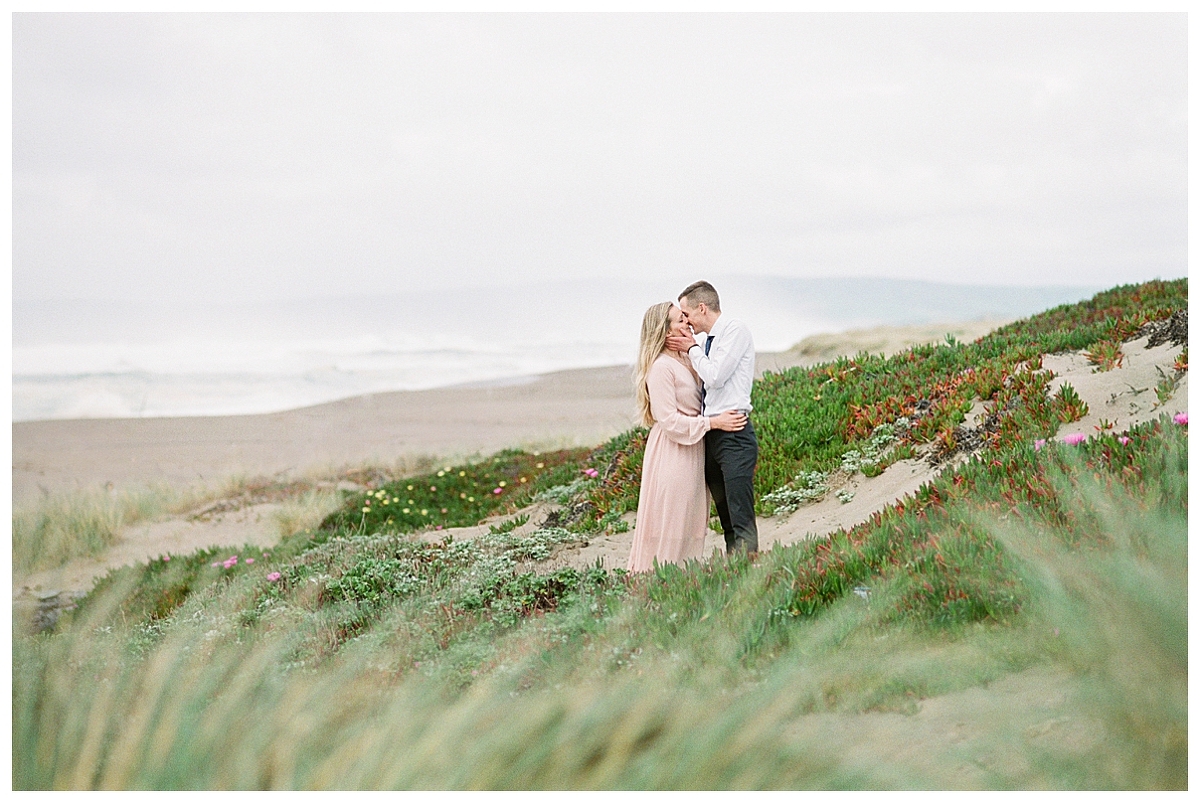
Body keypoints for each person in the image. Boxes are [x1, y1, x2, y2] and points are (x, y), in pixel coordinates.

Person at [627, 302, 747, 573]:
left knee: (691, 524)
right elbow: (669, 421)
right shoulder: (660, 368)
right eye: (680, 320)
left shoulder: (686, 359)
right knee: (673, 523)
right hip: (673, 452)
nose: (687, 324)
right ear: (666, 332)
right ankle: (658, 583)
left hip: (694, 450)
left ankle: (679, 583)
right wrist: (714, 422)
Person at [665, 280, 760, 556]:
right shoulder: (705, 341)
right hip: (711, 436)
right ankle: (736, 571)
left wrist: (690, 348)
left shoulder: (735, 330)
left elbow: (716, 376)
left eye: (686, 314)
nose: (686, 321)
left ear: (702, 308)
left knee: (741, 513)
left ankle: (751, 571)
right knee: (726, 517)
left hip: (735, 434)